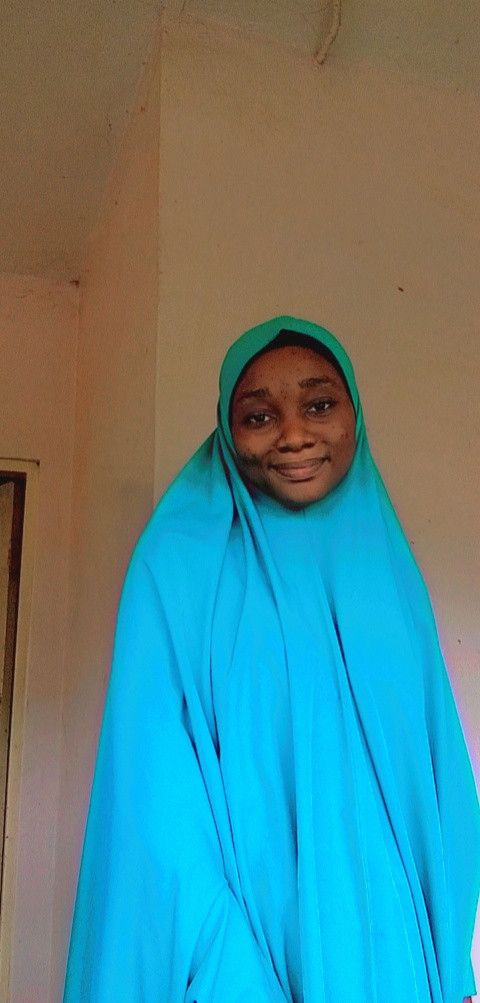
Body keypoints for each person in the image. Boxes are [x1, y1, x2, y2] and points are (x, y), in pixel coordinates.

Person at [64, 316, 479, 1002]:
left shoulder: (387, 574)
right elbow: (153, 795)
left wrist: (450, 960)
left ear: (354, 414)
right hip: (241, 954)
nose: (293, 434)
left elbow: (439, 782)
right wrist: (226, 968)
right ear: (228, 432)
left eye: (319, 404)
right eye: (259, 416)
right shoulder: (179, 567)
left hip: (391, 951)